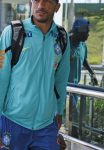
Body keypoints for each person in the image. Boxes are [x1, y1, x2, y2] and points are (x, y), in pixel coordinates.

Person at [0, 0, 70, 149]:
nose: (41, 5)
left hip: (46, 126)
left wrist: (59, 111)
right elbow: (1, 79)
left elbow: (61, 79)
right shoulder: (13, 32)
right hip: (12, 122)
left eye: (48, 1)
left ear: (57, 7)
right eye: (37, 0)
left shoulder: (62, 37)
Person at [68, 18, 98, 137]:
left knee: (74, 118)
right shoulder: (65, 44)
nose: (88, 35)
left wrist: (92, 73)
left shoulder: (83, 46)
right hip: (64, 88)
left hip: (75, 87)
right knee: (75, 116)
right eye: (86, 32)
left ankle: (74, 137)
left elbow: (84, 60)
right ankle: (75, 138)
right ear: (78, 31)